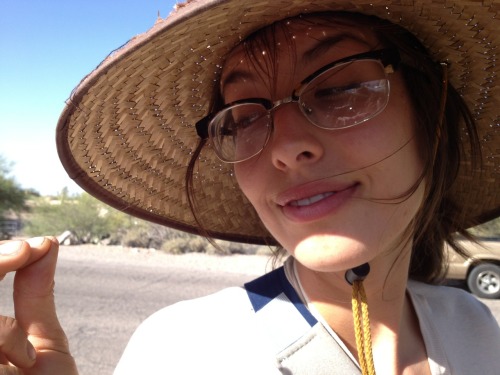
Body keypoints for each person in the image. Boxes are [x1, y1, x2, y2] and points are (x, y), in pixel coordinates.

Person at [1, 0, 499, 373]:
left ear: (431, 117)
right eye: (243, 117)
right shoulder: (184, 351)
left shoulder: (474, 328)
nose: (285, 148)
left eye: (339, 89)